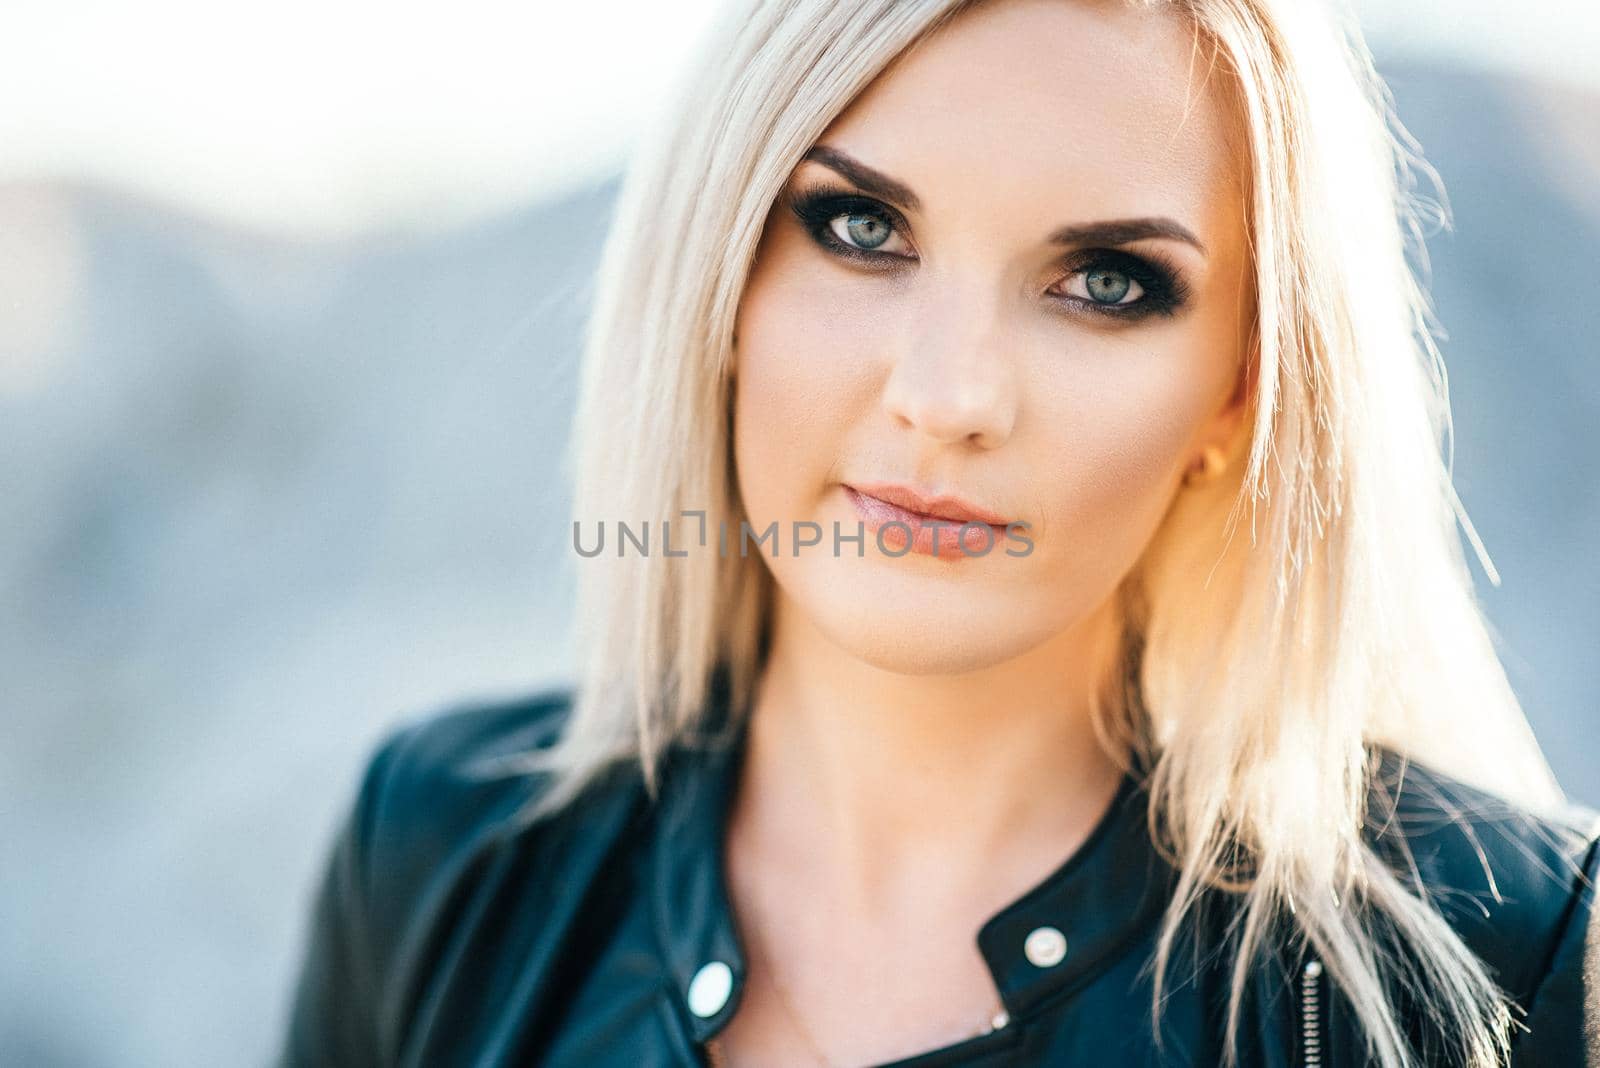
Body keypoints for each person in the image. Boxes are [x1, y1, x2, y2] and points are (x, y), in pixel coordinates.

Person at [277, 0, 1599, 1065]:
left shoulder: (1510, 958)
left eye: (1104, 284)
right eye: (861, 228)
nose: (950, 395)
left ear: (1240, 389)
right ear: (723, 275)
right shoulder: (448, 856)